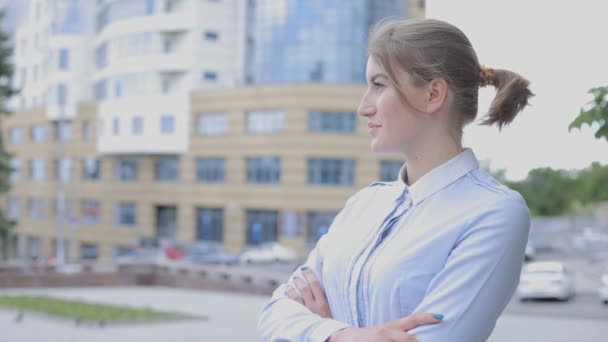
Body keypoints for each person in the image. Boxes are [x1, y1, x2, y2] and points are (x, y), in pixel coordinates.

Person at [258, 18, 533, 342]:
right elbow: (273, 314)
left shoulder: (494, 213)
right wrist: (341, 335)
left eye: (379, 85)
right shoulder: (363, 204)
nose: (363, 107)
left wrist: (314, 330)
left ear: (433, 94)